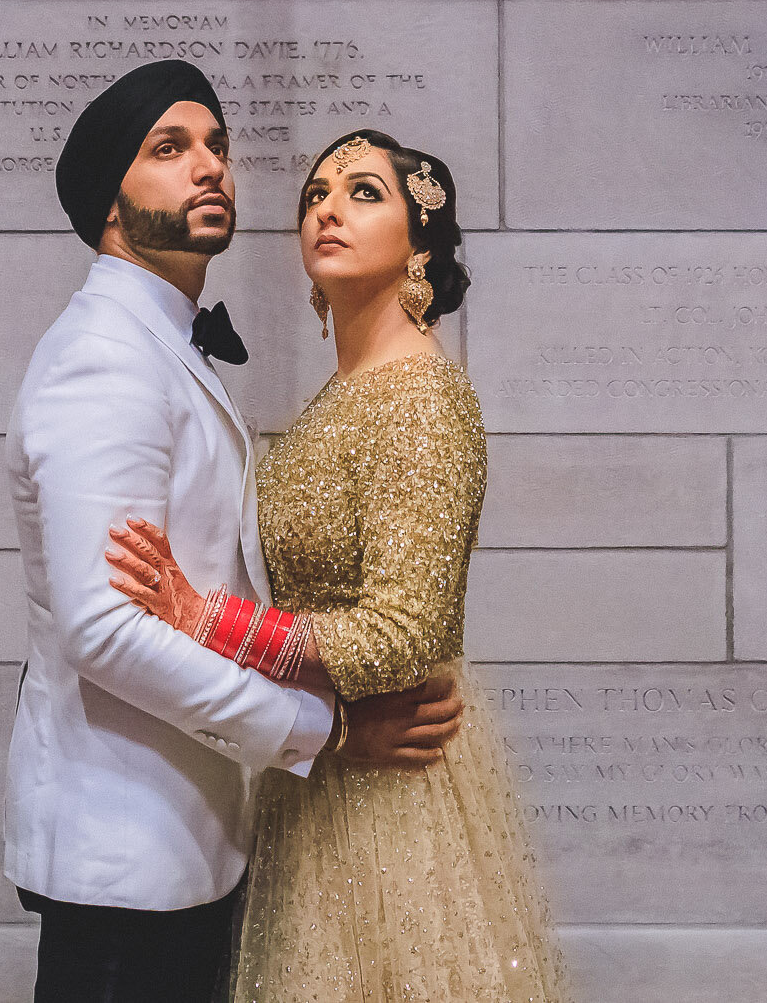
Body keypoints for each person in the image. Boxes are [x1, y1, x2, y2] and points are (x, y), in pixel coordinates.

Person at [4, 64, 468, 1003]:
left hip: (200, 830)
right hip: (129, 848)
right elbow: (103, 630)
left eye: (217, 145)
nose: (209, 166)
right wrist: (326, 730)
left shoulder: (169, 348)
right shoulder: (107, 359)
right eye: (169, 150)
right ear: (110, 203)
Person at [105, 128, 570, 1002]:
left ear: (420, 243)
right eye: (316, 192)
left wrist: (205, 618)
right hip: (329, 766)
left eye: (364, 192)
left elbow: (404, 632)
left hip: (394, 793)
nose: (327, 207)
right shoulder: (348, 392)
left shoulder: (421, 398)